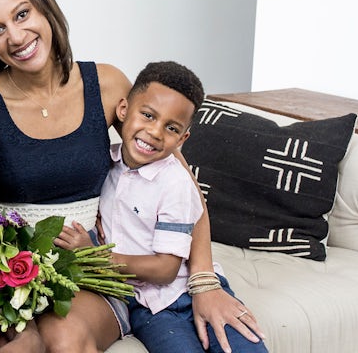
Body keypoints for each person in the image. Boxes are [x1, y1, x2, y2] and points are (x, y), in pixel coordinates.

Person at [0, 0, 265, 352]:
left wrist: (204, 280)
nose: (16, 36)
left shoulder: (107, 85)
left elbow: (179, 181)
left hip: (94, 266)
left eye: (23, 13)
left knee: (66, 338)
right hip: (15, 273)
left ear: (45, 10)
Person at [55, 61, 266, 353]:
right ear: (123, 110)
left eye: (171, 127)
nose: (155, 132)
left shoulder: (174, 183)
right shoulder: (106, 165)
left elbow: (167, 269)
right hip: (146, 305)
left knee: (247, 347)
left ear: (183, 139)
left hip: (188, 289)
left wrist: (94, 256)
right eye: (148, 115)